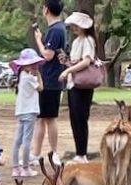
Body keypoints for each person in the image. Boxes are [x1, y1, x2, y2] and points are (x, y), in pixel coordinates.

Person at [30, 0, 66, 165]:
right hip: (48, 79)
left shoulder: (55, 30)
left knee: (49, 117)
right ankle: (36, 153)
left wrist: (38, 40)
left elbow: (48, 55)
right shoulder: (59, 28)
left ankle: (54, 152)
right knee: (41, 118)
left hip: (50, 80)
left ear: (47, 10)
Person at [59, 11, 97, 162]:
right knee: (75, 118)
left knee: (80, 118)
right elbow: (77, 61)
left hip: (83, 85)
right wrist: (66, 61)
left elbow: (86, 61)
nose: (74, 27)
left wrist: (68, 70)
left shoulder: (87, 40)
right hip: (73, 83)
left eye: (77, 25)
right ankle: (79, 151)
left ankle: (82, 152)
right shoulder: (76, 42)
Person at [9, 49, 44, 177]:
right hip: (30, 111)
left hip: (21, 111)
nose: (34, 66)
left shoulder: (22, 77)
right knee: (27, 140)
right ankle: (25, 167)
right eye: (32, 64)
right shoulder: (29, 78)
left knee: (18, 140)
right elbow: (41, 87)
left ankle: (15, 167)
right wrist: (38, 74)